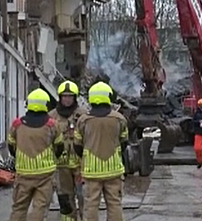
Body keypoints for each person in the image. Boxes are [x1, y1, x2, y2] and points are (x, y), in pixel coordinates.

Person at [7, 88, 64, 221]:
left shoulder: (17, 124)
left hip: (23, 173)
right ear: (45, 104)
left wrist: (20, 158)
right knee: (40, 207)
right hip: (45, 174)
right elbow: (59, 147)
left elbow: (11, 145)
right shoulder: (52, 124)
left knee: (19, 207)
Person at [74, 81, 128, 221]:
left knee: (91, 205)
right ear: (108, 97)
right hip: (114, 169)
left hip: (91, 170)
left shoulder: (83, 120)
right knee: (114, 204)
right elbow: (124, 142)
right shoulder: (119, 119)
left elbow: (77, 146)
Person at [49, 80, 85, 221]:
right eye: (64, 96)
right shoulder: (51, 117)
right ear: (60, 97)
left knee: (84, 197)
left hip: (79, 165)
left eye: (70, 96)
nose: (67, 99)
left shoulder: (82, 115)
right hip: (61, 165)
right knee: (65, 199)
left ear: (75, 97)